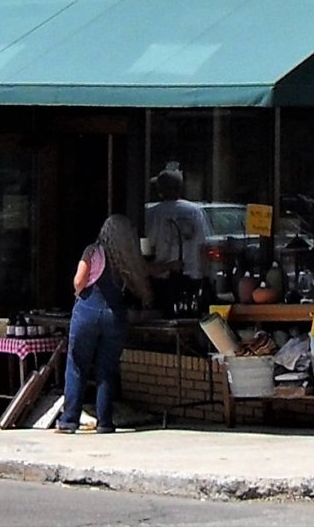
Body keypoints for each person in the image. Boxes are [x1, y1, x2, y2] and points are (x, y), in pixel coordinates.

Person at [56, 214, 150, 434]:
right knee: (107, 369)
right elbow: (141, 286)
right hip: (116, 314)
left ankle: (69, 420)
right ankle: (105, 422)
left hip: (88, 309)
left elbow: (79, 280)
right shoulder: (128, 258)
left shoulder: (92, 251)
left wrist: (78, 295)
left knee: (77, 364)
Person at [143, 168, 207, 313]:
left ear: (160, 189)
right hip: (192, 276)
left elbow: (147, 247)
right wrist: (203, 275)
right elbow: (202, 246)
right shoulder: (195, 211)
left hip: (162, 278)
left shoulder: (153, 213)